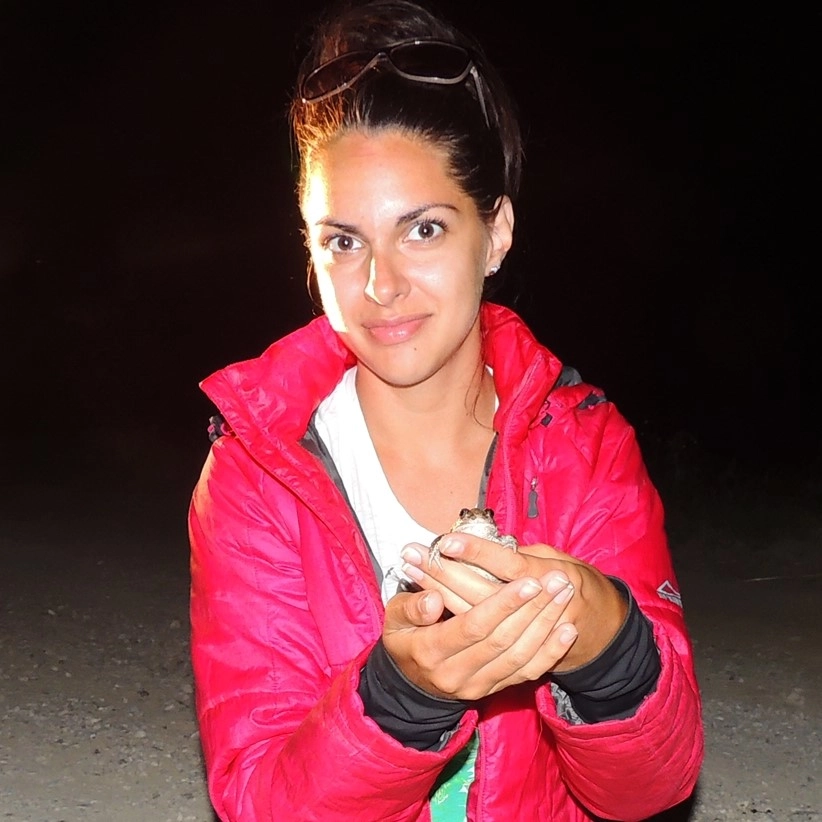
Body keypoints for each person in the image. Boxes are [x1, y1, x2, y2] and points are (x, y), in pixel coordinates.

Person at [188, 1, 704, 819]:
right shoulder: (259, 471)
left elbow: (649, 790)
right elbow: (261, 799)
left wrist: (607, 643)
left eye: (423, 230)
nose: (381, 284)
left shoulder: (584, 446)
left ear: (495, 233)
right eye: (344, 241)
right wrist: (402, 695)